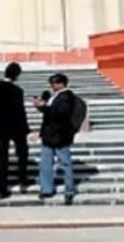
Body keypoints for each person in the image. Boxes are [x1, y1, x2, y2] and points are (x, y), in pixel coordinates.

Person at [33, 73, 84, 205]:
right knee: (45, 163)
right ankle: (47, 189)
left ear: (61, 83)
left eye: (54, 83)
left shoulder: (66, 97)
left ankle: (69, 190)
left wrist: (44, 107)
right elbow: (51, 113)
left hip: (60, 136)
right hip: (49, 135)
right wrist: (42, 107)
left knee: (65, 163)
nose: (52, 86)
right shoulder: (55, 96)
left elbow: (60, 114)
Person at [0, 63, 31, 200]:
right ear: (17, 76)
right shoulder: (17, 91)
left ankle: (0, 189)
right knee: (22, 153)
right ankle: (23, 180)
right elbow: (20, 112)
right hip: (15, 127)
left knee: (1, 156)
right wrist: (26, 129)